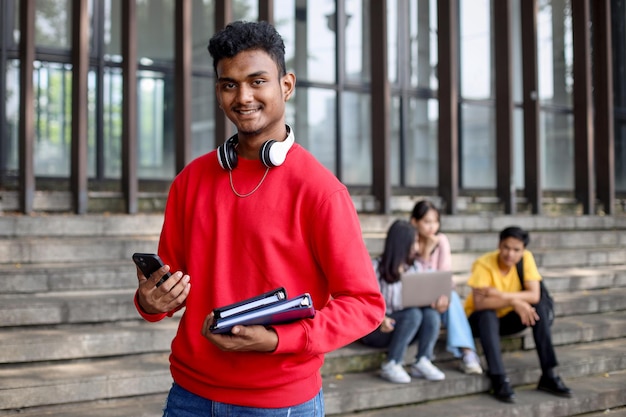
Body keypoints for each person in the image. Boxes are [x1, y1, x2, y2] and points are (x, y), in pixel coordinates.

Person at [133, 21, 386, 417]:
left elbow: (365, 305)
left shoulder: (321, 191)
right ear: (218, 92)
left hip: (280, 405)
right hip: (188, 397)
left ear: (286, 85)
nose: (243, 96)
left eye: (257, 81)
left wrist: (276, 340)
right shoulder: (189, 181)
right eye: (229, 84)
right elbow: (167, 290)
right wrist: (150, 301)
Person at [464, 226, 573, 403]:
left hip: (510, 318)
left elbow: (534, 295)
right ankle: (498, 378)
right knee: (487, 315)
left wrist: (501, 296)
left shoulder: (526, 259)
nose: (510, 254)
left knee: (538, 308)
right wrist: (514, 301)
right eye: (506, 247)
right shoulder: (483, 264)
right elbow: (480, 303)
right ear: (499, 245)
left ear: (523, 250)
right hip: (478, 322)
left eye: (516, 250)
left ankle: (549, 373)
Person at [361, 220, 447, 383]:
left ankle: (423, 360)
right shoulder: (375, 268)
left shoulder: (413, 268)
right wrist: (381, 318)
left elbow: (428, 288)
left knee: (430, 313)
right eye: (414, 241)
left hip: (405, 328)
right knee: (413, 314)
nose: (416, 246)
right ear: (402, 244)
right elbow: (365, 302)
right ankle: (392, 362)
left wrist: (436, 299)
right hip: (379, 329)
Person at [409, 200, 483, 375]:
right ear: (414, 222)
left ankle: (467, 353)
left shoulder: (441, 240)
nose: (431, 227)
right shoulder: (409, 240)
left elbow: (445, 275)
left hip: (436, 297)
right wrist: (426, 253)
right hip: (412, 297)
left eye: (435, 222)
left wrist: (441, 294)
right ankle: (467, 353)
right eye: (426, 222)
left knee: (451, 297)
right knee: (450, 298)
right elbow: (413, 278)